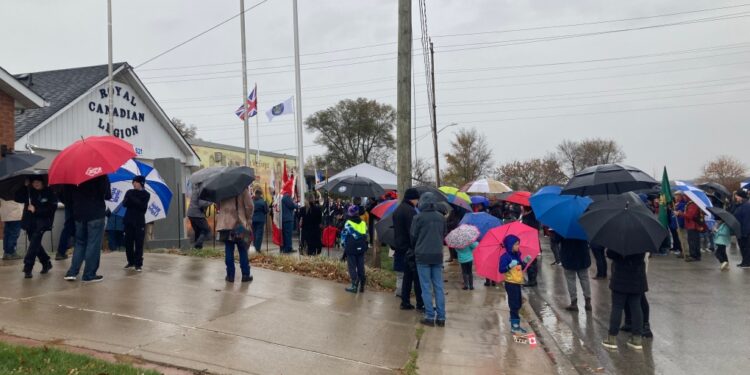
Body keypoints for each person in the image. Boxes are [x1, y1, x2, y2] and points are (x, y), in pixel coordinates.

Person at [64, 175, 111, 283]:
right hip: (96, 214)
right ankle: (89, 274)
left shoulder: (73, 174)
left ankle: (72, 272)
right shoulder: (100, 174)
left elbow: (66, 197)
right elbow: (107, 195)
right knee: (93, 244)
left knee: (80, 243)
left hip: (79, 214)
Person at [410, 192, 447, 327]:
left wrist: (416, 247)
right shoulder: (441, 218)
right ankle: (441, 317)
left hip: (422, 255)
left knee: (426, 287)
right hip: (437, 255)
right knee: (438, 286)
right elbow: (444, 234)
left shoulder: (418, 218)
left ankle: (430, 316)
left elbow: (413, 237)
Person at [602, 250, 647, 350]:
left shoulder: (618, 238)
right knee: (636, 307)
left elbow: (610, 254)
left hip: (620, 277)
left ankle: (612, 338)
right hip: (637, 277)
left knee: (617, 307)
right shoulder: (641, 240)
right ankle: (637, 338)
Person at [15, 176, 57, 278]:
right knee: (35, 243)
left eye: (38, 182)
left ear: (42, 182)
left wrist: (36, 210)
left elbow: (51, 209)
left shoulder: (49, 192)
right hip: (30, 222)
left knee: (34, 243)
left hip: (42, 223)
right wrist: (24, 187)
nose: (36, 184)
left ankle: (28, 267)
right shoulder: (29, 191)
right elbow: (17, 198)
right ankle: (46, 261)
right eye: (33, 182)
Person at [393, 188, 423, 311]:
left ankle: (405, 302)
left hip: (400, 247)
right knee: (415, 278)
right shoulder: (411, 211)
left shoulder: (398, 209)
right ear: (413, 198)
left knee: (406, 277)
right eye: (417, 199)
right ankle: (419, 303)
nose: (418, 202)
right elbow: (413, 232)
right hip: (410, 248)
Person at [216, 186, 254, 282]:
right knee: (242, 249)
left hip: (225, 225)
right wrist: (248, 219)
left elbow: (219, 206)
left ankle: (230, 275)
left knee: (228, 249)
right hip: (238, 224)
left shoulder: (222, 190)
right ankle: (245, 274)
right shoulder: (242, 190)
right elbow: (250, 206)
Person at [499, 234, 533, 334]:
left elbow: (520, 267)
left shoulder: (516, 255)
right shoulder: (505, 257)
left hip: (517, 283)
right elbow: (501, 269)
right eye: (516, 244)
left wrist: (525, 262)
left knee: (518, 303)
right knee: (514, 305)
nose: (518, 246)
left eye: (519, 244)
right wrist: (509, 266)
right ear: (510, 245)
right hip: (510, 284)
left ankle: (513, 318)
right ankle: (515, 326)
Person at [122, 176, 150, 271]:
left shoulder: (146, 194)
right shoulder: (129, 192)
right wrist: (131, 199)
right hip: (128, 220)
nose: (134, 184)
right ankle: (131, 262)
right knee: (128, 243)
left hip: (139, 221)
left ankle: (138, 264)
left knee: (139, 243)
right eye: (133, 182)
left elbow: (142, 207)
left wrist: (132, 199)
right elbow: (124, 204)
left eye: (136, 182)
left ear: (141, 183)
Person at [560, 237, 592, 312]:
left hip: (568, 255)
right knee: (584, 278)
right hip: (582, 255)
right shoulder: (585, 225)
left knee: (571, 280)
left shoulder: (564, 226)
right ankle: (588, 302)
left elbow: (556, 239)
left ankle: (574, 303)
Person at [341, 205, 368, 293]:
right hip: (361, 247)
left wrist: (343, 244)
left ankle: (354, 284)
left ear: (350, 213)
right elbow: (366, 235)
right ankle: (362, 283)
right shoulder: (363, 223)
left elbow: (344, 235)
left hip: (351, 247)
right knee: (360, 265)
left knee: (352, 266)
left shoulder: (348, 223)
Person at [187, 183, 212, 250]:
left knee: (198, 231)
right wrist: (211, 202)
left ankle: (197, 250)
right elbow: (202, 204)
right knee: (206, 229)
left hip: (191, 214)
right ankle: (197, 245)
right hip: (197, 214)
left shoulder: (195, 189)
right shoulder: (202, 190)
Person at [520, 206, 540, 287]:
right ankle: (532, 279)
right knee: (531, 260)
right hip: (529, 241)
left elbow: (526, 229)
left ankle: (532, 280)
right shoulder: (530, 216)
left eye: (522, 207)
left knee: (530, 261)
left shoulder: (530, 217)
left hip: (530, 242)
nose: (520, 208)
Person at [54, 185, 75, 260]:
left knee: (67, 229)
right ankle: (79, 252)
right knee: (78, 229)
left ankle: (61, 252)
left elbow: (59, 194)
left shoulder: (64, 182)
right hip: (77, 206)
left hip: (69, 206)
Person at [683, 196, 704, 262]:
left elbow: (690, 215)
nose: (684, 198)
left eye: (685, 196)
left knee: (692, 241)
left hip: (693, 225)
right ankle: (696, 255)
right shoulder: (693, 203)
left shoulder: (693, 204)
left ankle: (694, 255)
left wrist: (680, 214)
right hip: (692, 225)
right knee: (694, 241)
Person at [733, 190, 750, 268]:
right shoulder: (740, 205)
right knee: (742, 247)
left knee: (746, 247)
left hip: (745, 231)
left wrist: (745, 232)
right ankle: (744, 261)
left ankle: (747, 263)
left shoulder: (746, 206)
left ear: (741, 197)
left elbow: (746, 220)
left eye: (737, 196)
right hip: (740, 230)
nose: (736, 197)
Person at [280, 181, 296, 253]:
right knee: (288, 234)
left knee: (285, 234)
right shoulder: (286, 197)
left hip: (284, 218)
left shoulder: (282, 196)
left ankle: (285, 247)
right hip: (288, 218)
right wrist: (297, 205)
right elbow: (292, 205)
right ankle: (288, 248)